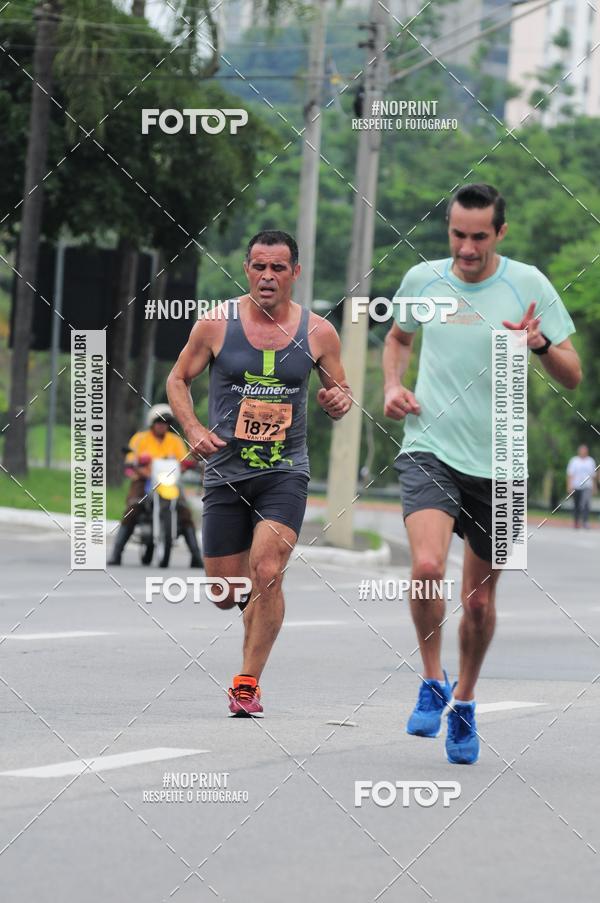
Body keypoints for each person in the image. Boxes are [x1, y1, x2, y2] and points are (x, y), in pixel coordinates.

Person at [383, 183, 582, 764]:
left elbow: (572, 375)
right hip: (430, 445)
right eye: (456, 234)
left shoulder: (530, 285)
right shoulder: (423, 280)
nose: (465, 249)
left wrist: (540, 342)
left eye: (478, 237)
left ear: (500, 233)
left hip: (502, 461)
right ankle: (430, 679)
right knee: (424, 566)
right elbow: (397, 339)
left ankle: (465, 702)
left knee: (477, 604)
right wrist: (393, 385)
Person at [167, 230, 352, 717]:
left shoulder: (318, 333)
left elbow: (342, 393)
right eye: (258, 267)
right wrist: (190, 427)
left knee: (268, 569)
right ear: (246, 269)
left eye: (277, 268)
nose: (267, 276)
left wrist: (337, 400)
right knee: (227, 594)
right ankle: (256, 609)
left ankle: (246, 683)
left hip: (284, 471)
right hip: (226, 471)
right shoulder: (215, 325)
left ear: (295, 273)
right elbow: (178, 378)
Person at [107, 404, 203, 567]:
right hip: (144, 480)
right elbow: (130, 459)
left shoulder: (176, 441)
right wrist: (136, 463)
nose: (162, 425)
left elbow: (183, 461)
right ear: (151, 422)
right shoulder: (140, 438)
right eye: (159, 421)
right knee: (133, 507)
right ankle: (116, 554)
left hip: (170, 482)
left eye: (166, 422)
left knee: (184, 511)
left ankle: (196, 557)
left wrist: (188, 464)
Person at [566, 444, 596, 529]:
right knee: (576, 505)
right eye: (582, 450)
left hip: (587, 486)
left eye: (584, 450)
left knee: (586, 504)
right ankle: (576, 522)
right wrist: (569, 486)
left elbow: (593, 475)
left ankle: (585, 522)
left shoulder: (590, 461)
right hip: (576, 486)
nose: (583, 452)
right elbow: (570, 474)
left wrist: (594, 487)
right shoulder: (574, 461)